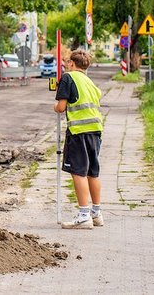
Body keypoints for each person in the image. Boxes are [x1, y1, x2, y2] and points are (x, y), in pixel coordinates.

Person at [54, 48, 104, 229]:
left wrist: (55, 106)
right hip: (96, 130)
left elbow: (61, 107)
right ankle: (96, 213)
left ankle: (83, 216)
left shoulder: (68, 77)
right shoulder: (90, 82)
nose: (66, 66)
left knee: (78, 172)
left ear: (72, 64)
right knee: (92, 172)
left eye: (67, 63)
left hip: (79, 131)